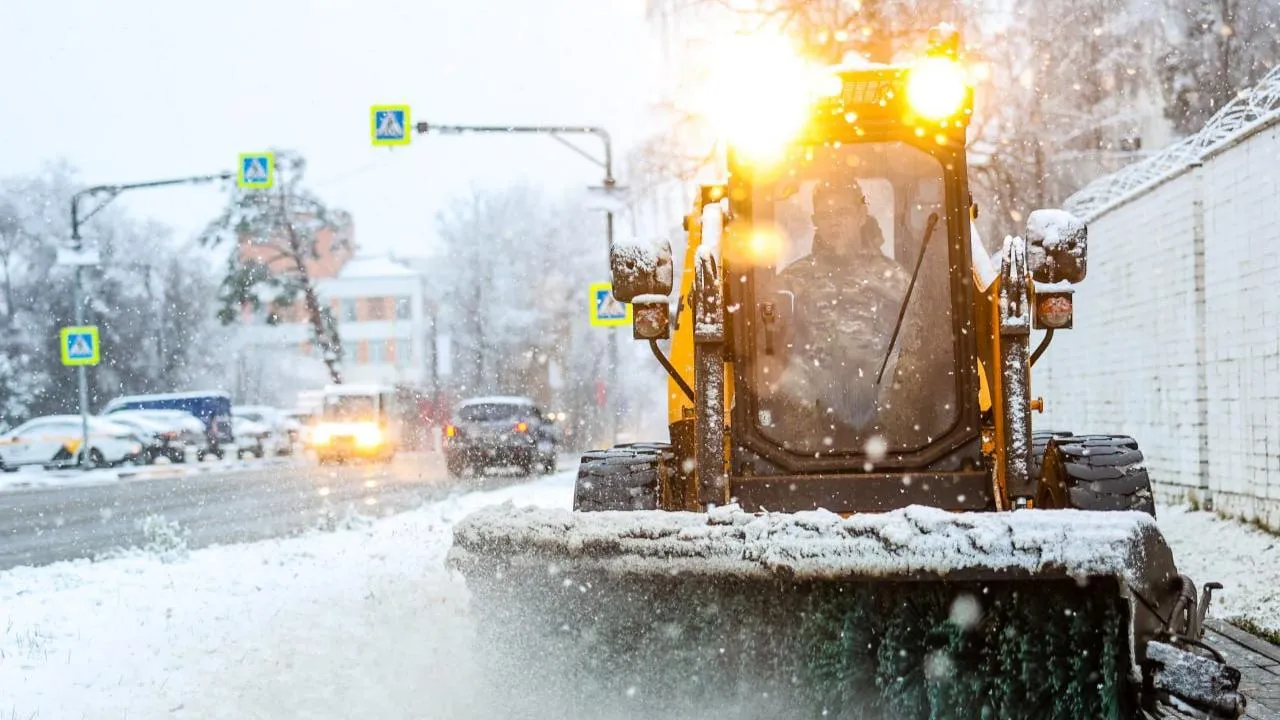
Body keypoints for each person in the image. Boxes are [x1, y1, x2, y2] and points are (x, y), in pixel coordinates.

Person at [770, 177, 921, 441]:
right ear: (816, 221)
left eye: (843, 212)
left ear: (862, 215)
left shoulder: (896, 279)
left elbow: (917, 341)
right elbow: (774, 341)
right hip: (814, 403)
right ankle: (805, 461)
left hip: (880, 399)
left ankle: (898, 450)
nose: (834, 222)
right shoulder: (793, 280)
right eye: (826, 215)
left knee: (907, 373)